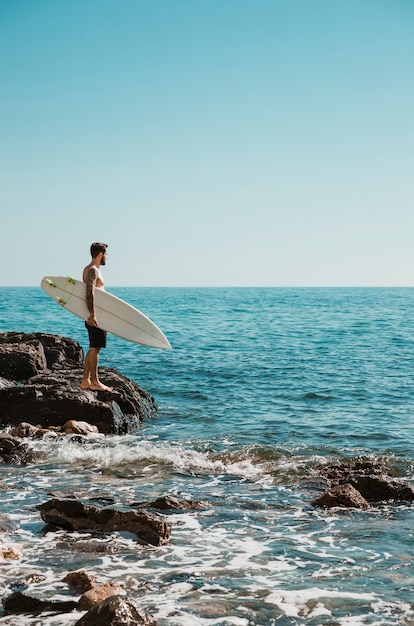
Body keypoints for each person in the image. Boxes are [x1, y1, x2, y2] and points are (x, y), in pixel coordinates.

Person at [80, 242, 112, 391]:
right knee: (95, 349)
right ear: (100, 254)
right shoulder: (93, 271)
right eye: (105, 254)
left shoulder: (88, 269)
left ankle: (85, 380)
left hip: (93, 314)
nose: (106, 257)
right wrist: (93, 315)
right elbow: (89, 293)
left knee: (93, 347)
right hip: (95, 316)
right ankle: (95, 382)